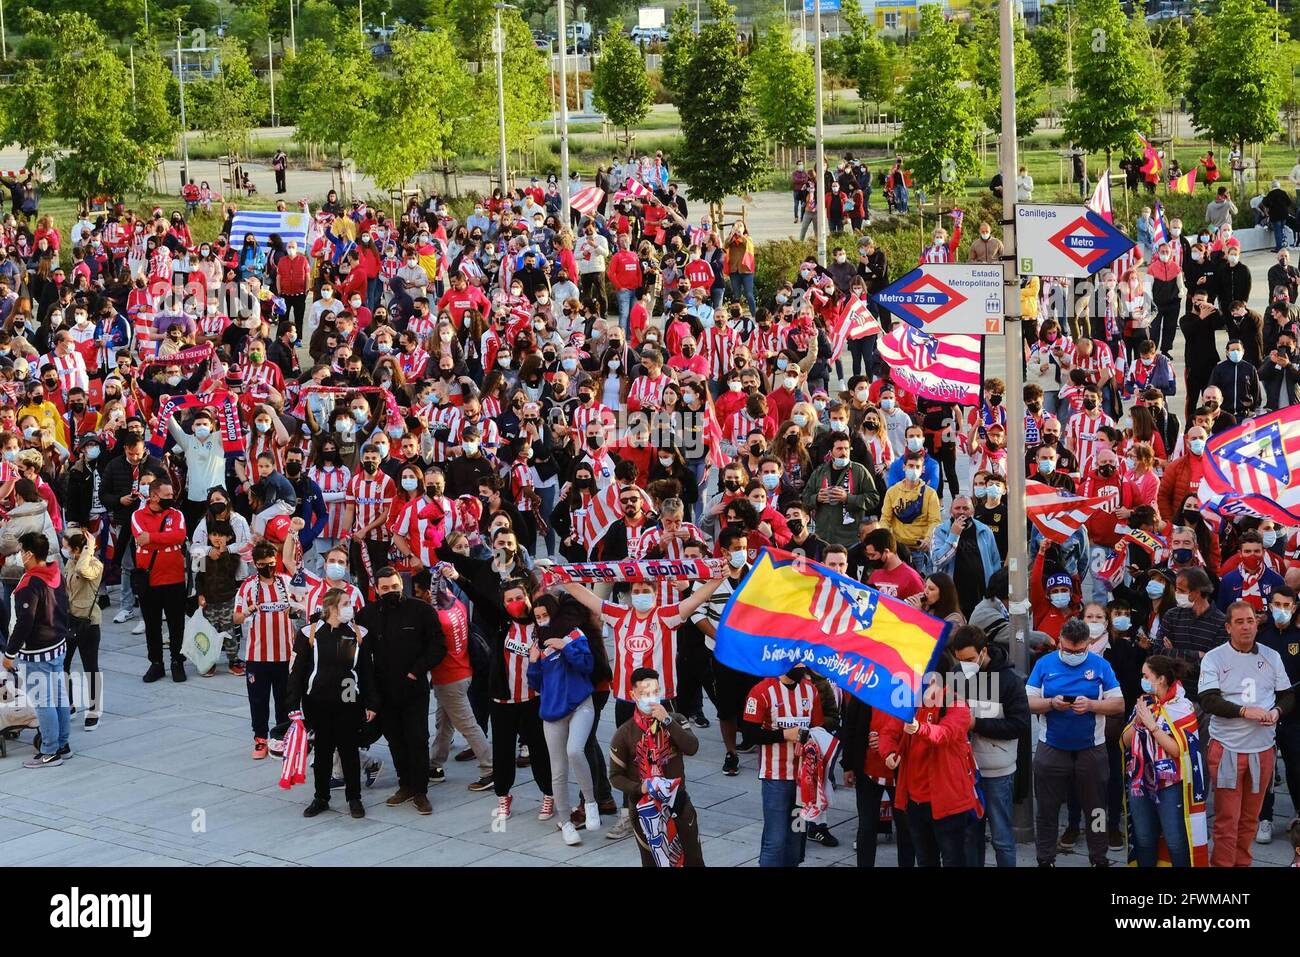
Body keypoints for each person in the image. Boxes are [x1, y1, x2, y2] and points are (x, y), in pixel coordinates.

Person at [1197, 601, 1294, 868]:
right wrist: (1243, 711)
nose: (1246, 627)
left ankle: (1243, 863)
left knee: (1250, 818)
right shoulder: (1215, 657)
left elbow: (1287, 696)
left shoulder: (1271, 656)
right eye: (1239, 622)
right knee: (1227, 819)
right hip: (1228, 748)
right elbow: (1208, 700)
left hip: (1262, 750)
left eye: (1250, 621)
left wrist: (1276, 712)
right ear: (1228, 627)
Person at [1027, 617, 1126, 867]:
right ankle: (1045, 859)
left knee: (1096, 810)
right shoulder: (1044, 664)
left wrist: (1092, 705)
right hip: (1051, 747)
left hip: (1091, 748)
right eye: (1068, 649)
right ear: (1059, 640)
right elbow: (1027, 702)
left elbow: (1118, 704)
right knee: (1047, 810)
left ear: (1088, 644)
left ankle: (1099, 858)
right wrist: (1051, 703)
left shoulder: (1101, 665)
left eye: (1079, 650)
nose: (1073, 654)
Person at [356, 565, 446, 816]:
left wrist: (416, 671)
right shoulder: (366, 615)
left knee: (417, 738)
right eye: (385, 588)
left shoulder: (421, 611)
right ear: (376, 589)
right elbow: (361, 654)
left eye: (394, 586)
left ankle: (420, 791)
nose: (390, 591)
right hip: (384, 690)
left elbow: (438, 645)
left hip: (414, 687)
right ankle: (404, 784)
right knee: (395, 739)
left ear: (401, 585)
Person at [878, 658, 982, 868]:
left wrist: (919, 728)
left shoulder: (957, 705)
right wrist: (888, 753)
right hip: (915, 802)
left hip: (949, 803)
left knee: (954, 860)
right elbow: (888, 732)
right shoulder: (910, 703)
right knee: (925, 860)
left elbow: (944, 734)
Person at [287, 589, 375, 820]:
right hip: (318, 702)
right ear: (332, 607)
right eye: (345, 604)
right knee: (323, 751)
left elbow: (366, 673)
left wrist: (371, 703)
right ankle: (321, 797)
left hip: (348, 701)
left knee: (349, 751)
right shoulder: (310, 633)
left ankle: (354, 797)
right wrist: (292, 705)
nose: (350, 608)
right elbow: (296, 673)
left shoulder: (358, 633)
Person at [607, 667, 705, 867]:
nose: (651, 698)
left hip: (678, 805)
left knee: (693, 860)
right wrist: (639, 788)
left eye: (655, 692)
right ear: (633, 695)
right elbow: (615, 776)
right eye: (645, 694)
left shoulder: (676, 720)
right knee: (652, 862)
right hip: (645, 810)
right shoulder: (624, 733)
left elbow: (692, 747)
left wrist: (667, 721)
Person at [951, 625, 1029, 867]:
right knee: (970, 837)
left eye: (970, 659)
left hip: (998, 771)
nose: (965, 665)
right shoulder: (957, 675)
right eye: (960, 660)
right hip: (966, 771)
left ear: (984, 652)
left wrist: (976, 724)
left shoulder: (1009, 681)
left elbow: (1019, 725)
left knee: (1002, 838)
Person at [526, 596, 598, 846]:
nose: (542, 620)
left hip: (580, 705)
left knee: (575, 751)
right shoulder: (537, 641)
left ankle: (590, 803)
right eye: (538, 616)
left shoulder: (574, 634)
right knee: (557, 770)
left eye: (546, 614)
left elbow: (587, 664)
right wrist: (533, 662)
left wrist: (564, 646)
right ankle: (566, 823)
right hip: (552, 712)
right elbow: (535, 683)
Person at [1121, 655, 1201, 867]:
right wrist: (1139, 720)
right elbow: (1124, 742)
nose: (1143, 680)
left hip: (1169, 785)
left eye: (1146, 676)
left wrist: (1152, 726)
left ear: (1161, 679)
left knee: (1175, 841)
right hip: (1140, 781)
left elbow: (1178, 750)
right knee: (1144, 839)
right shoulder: (1144, 702)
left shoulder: (1182, 707)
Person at [745, 661, 824, 867]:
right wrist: (784, 735)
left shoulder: (811, 690)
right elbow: (750, 733)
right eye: (797, 660)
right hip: (775, 778)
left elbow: (818, 728)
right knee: (776, 839)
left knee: (796, 837)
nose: (802, 666)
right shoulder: (761, 691)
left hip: (803, 782)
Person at [3, 532, 71, 767]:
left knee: (44, 703)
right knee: (59, 697)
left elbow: (24, 622)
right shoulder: (55, 572)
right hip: (58, 645)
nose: (20, 555)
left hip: (37, 652)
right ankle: (63, 744)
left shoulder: (29, 583)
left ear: (30, 554)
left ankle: (50, 751)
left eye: (21, 551)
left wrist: (10, 653)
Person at [132, 479, 189, 683]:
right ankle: (156, 663)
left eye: (172, 495)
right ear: (154, 496)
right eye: (166, 496)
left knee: (176, 624)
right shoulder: (137, 515)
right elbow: (140, 537)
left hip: (174, 579)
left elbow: (180, 536)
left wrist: (153, 538)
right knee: (152, 625)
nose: (171, 499)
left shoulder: (177, 514)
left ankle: (177, 661)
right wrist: (165, 537)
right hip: (150, 581)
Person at [1257, 586, 1300, 843]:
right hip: (1265, 715)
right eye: (1277, 604)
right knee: (1266, 770)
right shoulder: (1262, 637)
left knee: (1296, 767)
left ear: (1294, 608)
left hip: (1295, 716)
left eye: (1287, 605)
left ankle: (1298, 814)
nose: (1281, 610)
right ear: (1270, 606)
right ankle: (1265, 818)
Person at [61, 528, 103, 731]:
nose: (64, 547)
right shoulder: (69, 562)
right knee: (63, 665)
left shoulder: (95, 564)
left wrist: (89, 549)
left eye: (67, 544)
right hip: (70, 620)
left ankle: (94, 710)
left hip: (89, 622)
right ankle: (69, 704)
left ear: (77, 548)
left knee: (90, 667)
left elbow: (82, 571)